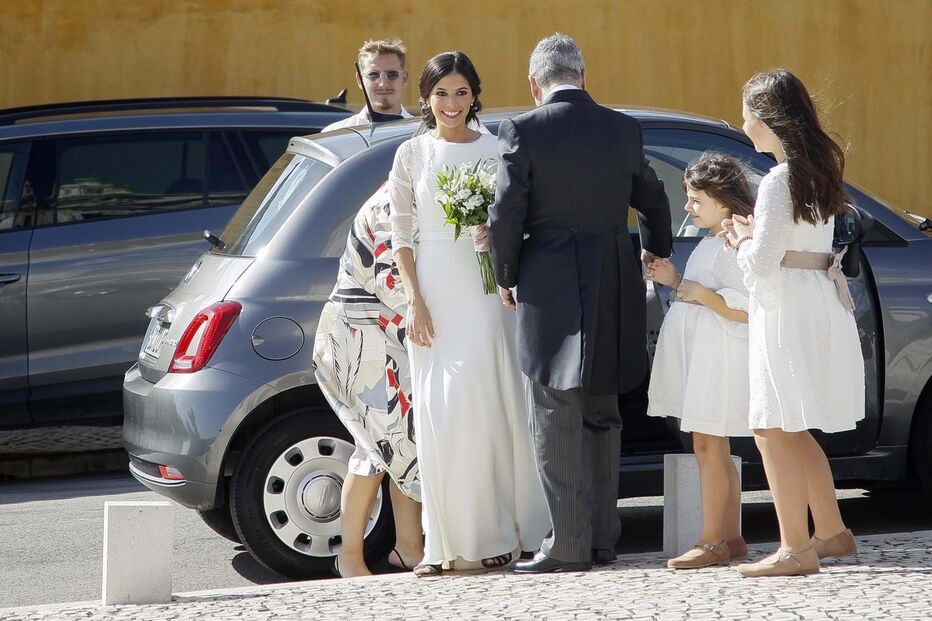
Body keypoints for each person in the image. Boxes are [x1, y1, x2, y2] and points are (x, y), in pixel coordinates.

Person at [488, 33, 673, 574]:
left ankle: (565, 546)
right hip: (614, 277)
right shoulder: (623, 127)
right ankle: (599, 539)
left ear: (534, 83)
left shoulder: (521, 129)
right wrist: (654, 253)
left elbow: (505, 215)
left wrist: (505, 274)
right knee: (602, 411)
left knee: (554, 411)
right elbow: (655, 199)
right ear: (583, 76)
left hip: (549, 286)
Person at [388, 51, 550, 577]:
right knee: (443, 412)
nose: (452, 103)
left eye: (461, 92)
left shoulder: (499, 146)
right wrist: (415, 300)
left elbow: (526, 216)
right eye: (441, 93)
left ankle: (503, 532)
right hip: (434, 290)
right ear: (426, 97)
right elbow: (401, 237)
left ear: (474, 94)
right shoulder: (411, 154)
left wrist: (496, 237)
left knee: (490, 403)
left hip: (487, 294)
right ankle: (450, 540)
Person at [722, 69, 864, 577]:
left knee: (770, 425)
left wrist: (739, 238)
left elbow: (761, 263)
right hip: (815, 300)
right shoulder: (815, 169)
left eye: (746, 117)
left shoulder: (779, 180)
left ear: (765, 119)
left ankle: (795, 547)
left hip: (786, 306)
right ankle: (831, 532)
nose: (743, 127)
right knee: (794, 425)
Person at [644, 151, 755, 569]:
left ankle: (712, 541)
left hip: (719, 354)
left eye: (695, 200)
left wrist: (694, 292)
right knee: (714, 447)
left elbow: (744, 306)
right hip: (704, 352)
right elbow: (700, 289)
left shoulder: (734, 242)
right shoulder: (715, 239)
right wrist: (674, 280)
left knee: (709, 445)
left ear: (723, 199)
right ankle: (730, 536)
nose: (688, 208)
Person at [312, 185, 423, 578]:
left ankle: (410, 548)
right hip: (362, 341)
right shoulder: (388, 207)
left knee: (401, 444)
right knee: (375, 451)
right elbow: (391, 283)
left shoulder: (400, 197)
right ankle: (350, 557)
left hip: (379, 338)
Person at [323, 39, 414, 132]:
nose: (383, 84)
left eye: (392, 74)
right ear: (360, 80)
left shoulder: (421, 134)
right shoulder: (335, 134)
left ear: (404, 78)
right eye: (373, 75)